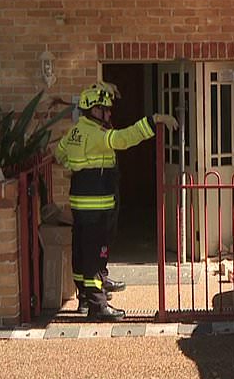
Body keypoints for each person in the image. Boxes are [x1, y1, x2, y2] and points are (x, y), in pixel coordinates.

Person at [55, 81, 178, 321]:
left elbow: (59, 154)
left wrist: (74, 166)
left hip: (80, 204)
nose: (110, 113)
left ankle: (84, 299)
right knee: (94, 256)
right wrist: (154, 120)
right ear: (94, 110)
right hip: (98, 205)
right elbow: (124, 138)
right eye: (106, 109)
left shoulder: (74, 131)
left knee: (81, 253)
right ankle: (98, 306)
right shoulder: (96, 134)